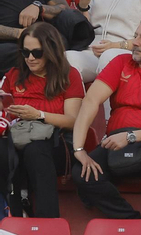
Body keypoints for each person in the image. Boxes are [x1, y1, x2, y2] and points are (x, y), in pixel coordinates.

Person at [69, 17, 141, 235]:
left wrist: (132, 136)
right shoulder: (122, 63)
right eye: (135, 36)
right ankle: (133, 221)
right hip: (117, 139)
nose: (134, 42)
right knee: (82, 173)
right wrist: (79, 149)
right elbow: (91, 101)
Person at [0, 23, 81, 217]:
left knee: (35, 151)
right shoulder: (14, 74)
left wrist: (38, 115)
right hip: (17, 136)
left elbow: (72, 121)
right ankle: (12, 217)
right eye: (25, 52)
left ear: (51, 50)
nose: (29, 58)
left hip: (56, 141)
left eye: (36, 52)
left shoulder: (68, 76)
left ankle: (48, 221)